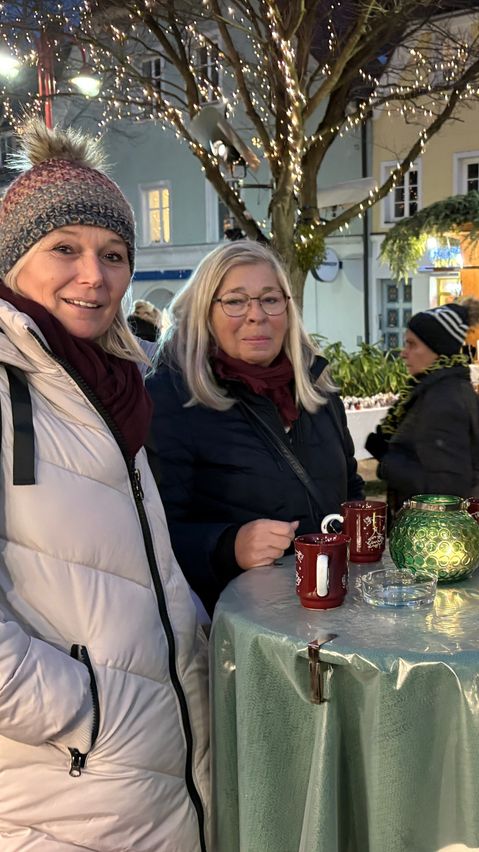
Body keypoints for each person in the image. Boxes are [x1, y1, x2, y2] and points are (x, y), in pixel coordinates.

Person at [0, 120, 210, 849]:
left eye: (113, 255)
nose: (94, 276)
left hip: (155, 755)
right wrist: (83, 708)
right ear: (14, 260)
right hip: (62, 786)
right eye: (65, 249)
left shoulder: (111, 386)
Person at [146, 240, 364, 613]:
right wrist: (228, 545)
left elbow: (351, 487)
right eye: (235, 301)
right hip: (248, 624)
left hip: (338, 608)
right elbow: (153, 533)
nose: (256, 315)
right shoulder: (172, 397)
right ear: (205, 312)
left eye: (269, 299)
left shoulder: (317, 388)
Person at [365, 298, 479, 517]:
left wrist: (388, 460)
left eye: (412, 344)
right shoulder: (435, 390)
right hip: (437, 528)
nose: (403, 352)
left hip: (438, 534)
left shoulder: (444, 400)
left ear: (437, 350)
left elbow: (446, 488)